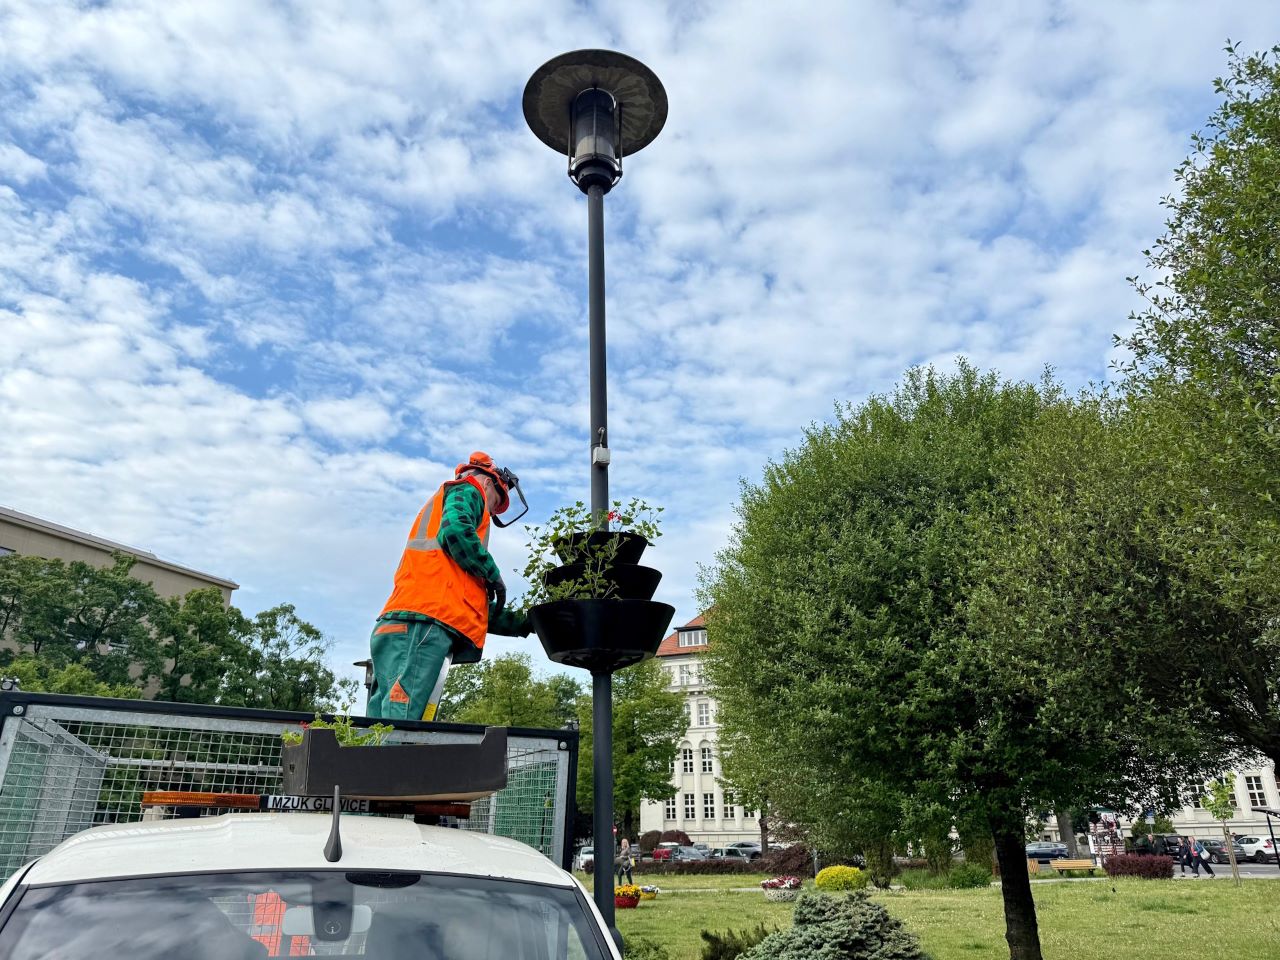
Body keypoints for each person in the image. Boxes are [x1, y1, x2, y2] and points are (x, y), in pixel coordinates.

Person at [367, 452, 530, 721]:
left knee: (380, 725)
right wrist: (491, 573)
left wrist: (526, 623)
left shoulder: (444, 575)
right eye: (495, 502)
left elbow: (469, 608)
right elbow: (455, 530)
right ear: (488, 483)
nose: (488, 511)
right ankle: (395, 764)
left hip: (402, 627)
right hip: (421, 628)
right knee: (401, 722)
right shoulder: (469, 490)